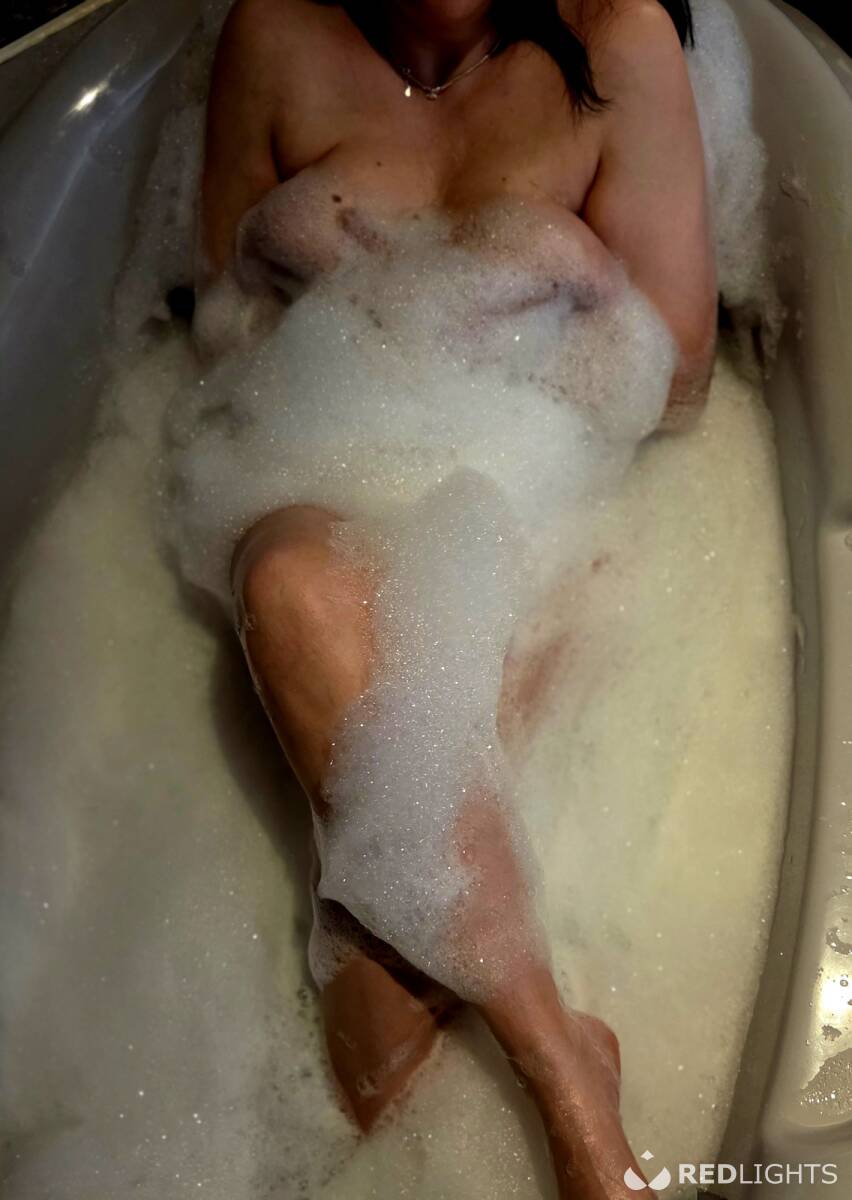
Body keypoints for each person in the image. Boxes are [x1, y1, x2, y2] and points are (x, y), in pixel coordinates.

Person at [198, 0, 716, 1195]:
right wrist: (362, 331)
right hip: (322, 465)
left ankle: (407, 918)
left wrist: (484, 328)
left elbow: (678, 376)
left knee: (376, 1070)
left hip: (540, 497)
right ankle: (566, 1074)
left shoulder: (615, 36)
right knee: (280, 577)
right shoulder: (271, 36)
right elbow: (219, 330)